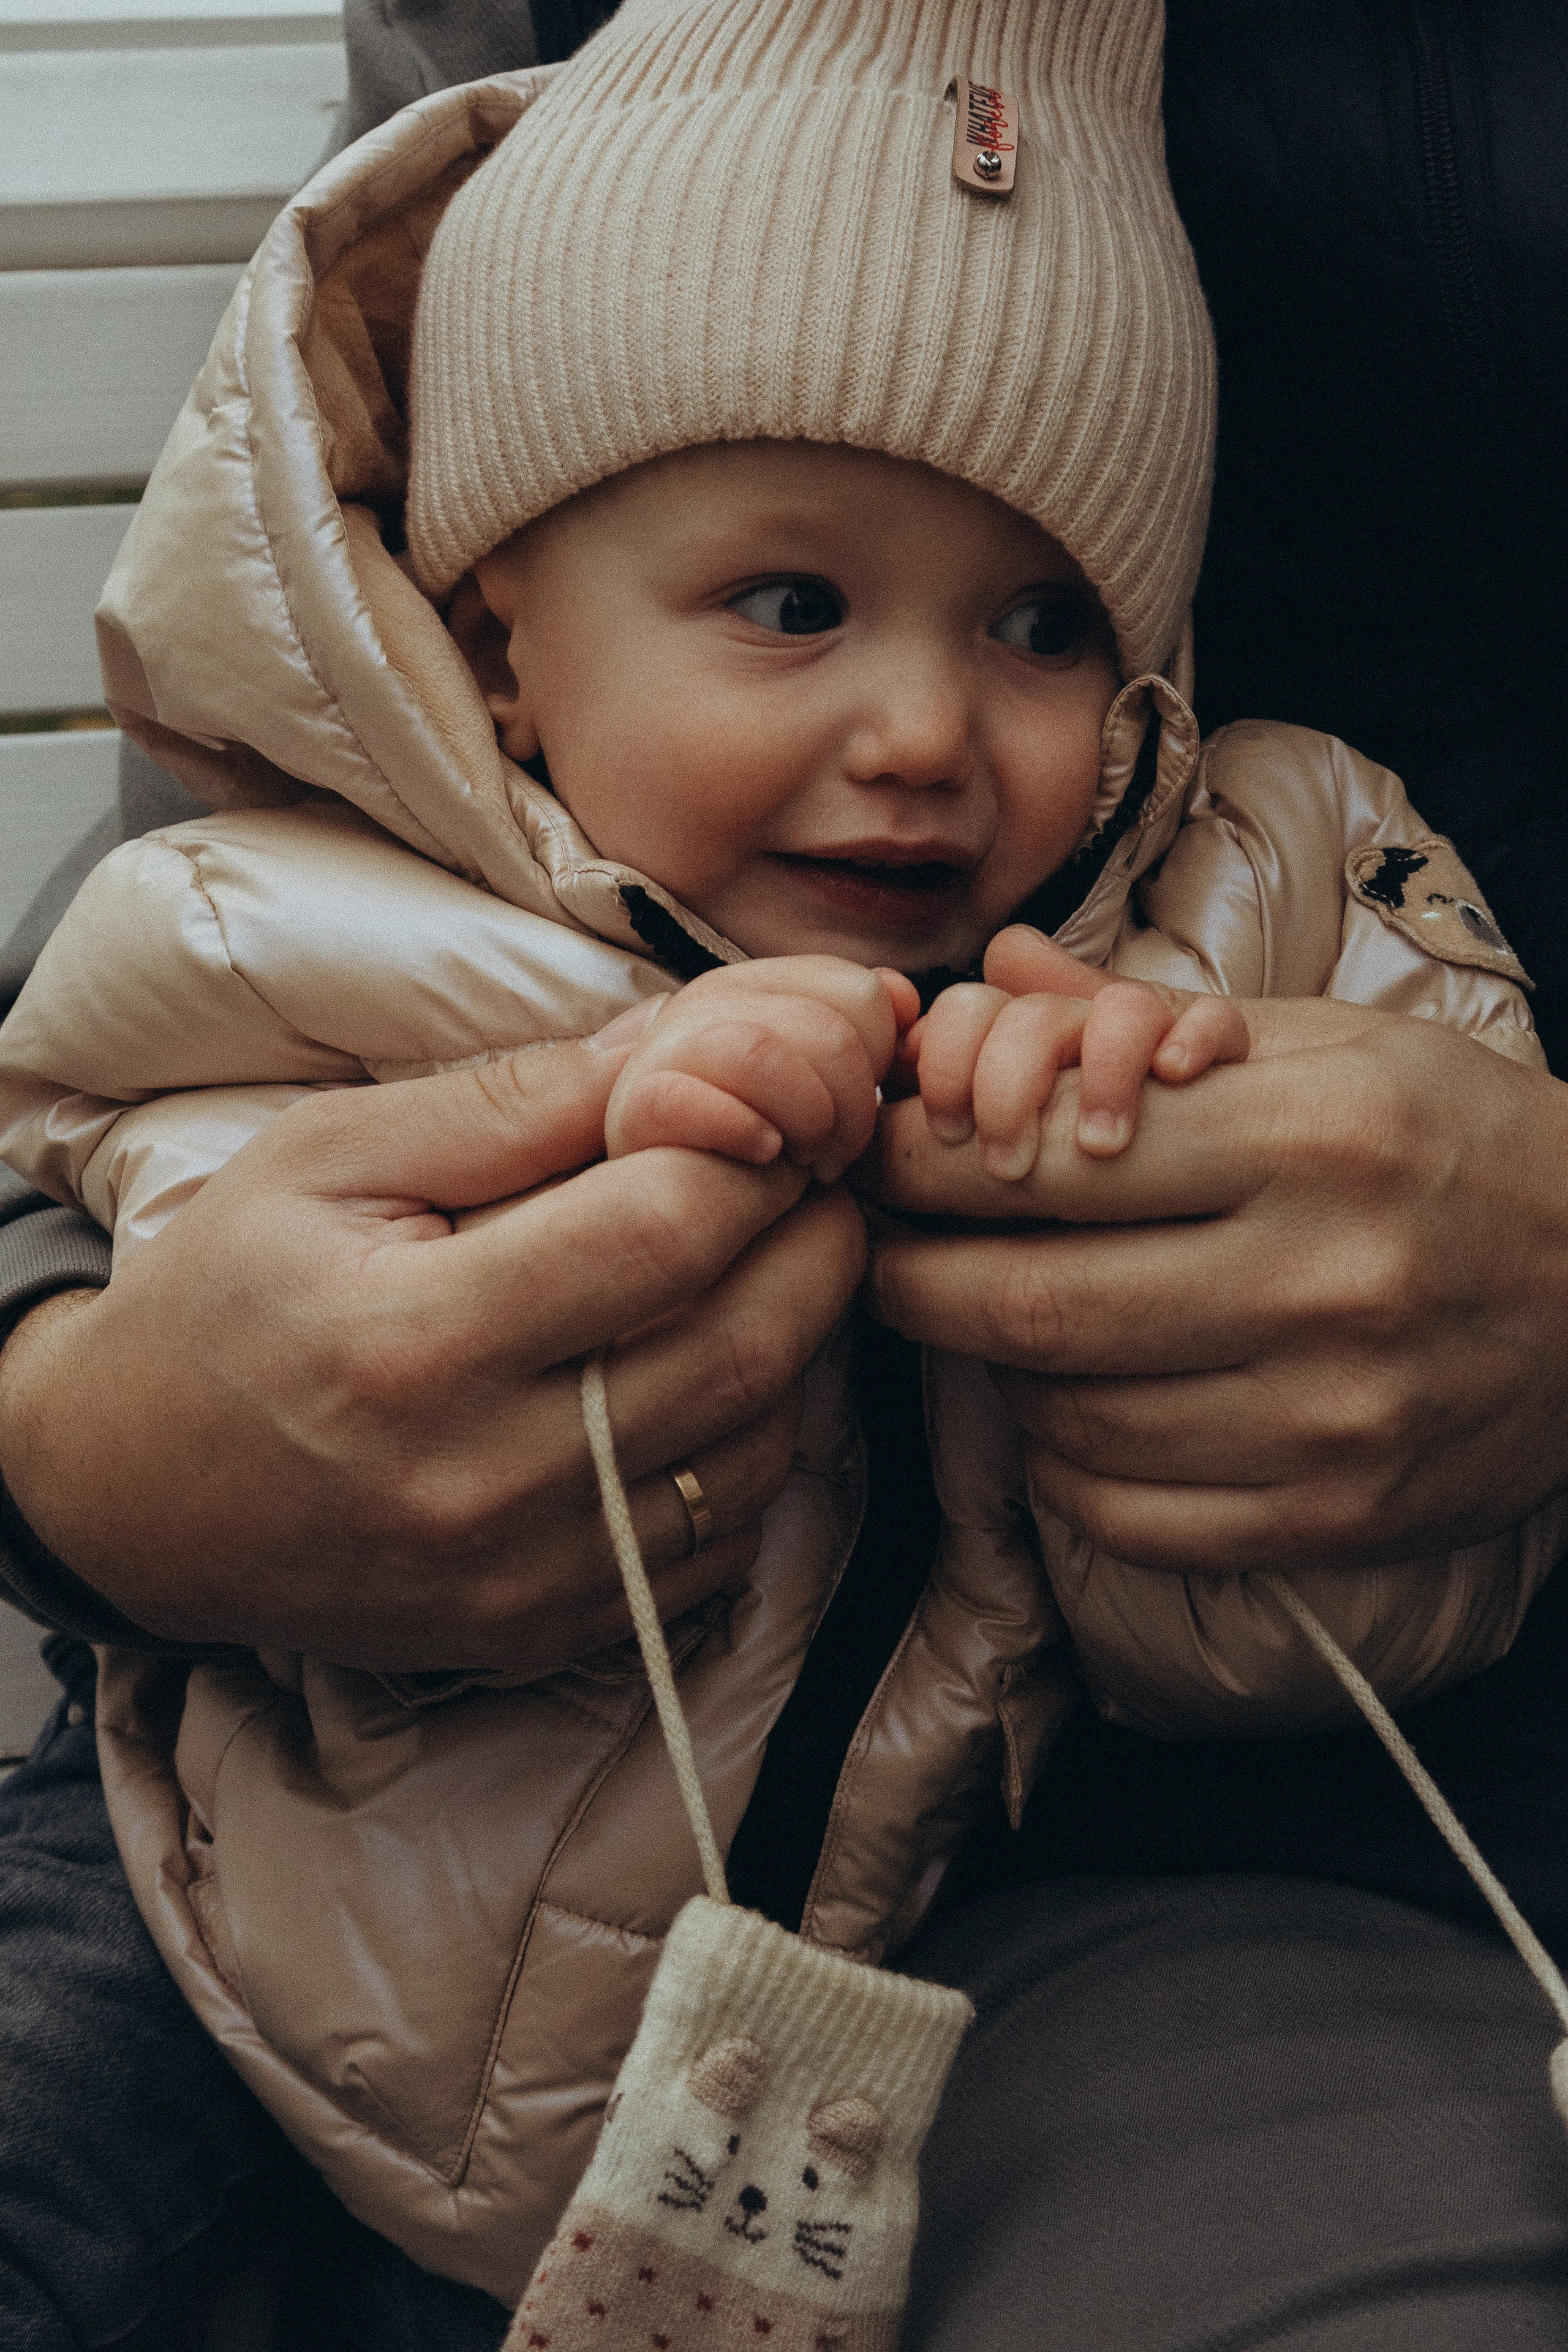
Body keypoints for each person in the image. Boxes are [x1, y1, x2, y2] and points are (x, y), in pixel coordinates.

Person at [2, 6, 1568, 2351]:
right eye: (793, 608)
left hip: (954, 1972)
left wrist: (1151, 1263)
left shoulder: (1210, 940)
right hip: (237, 1887)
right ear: (497, 643)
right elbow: (113, 1148)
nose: (925, 731)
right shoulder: (304, 909)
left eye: (1043, 626)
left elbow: (1270, 1640)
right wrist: (128, 1400)